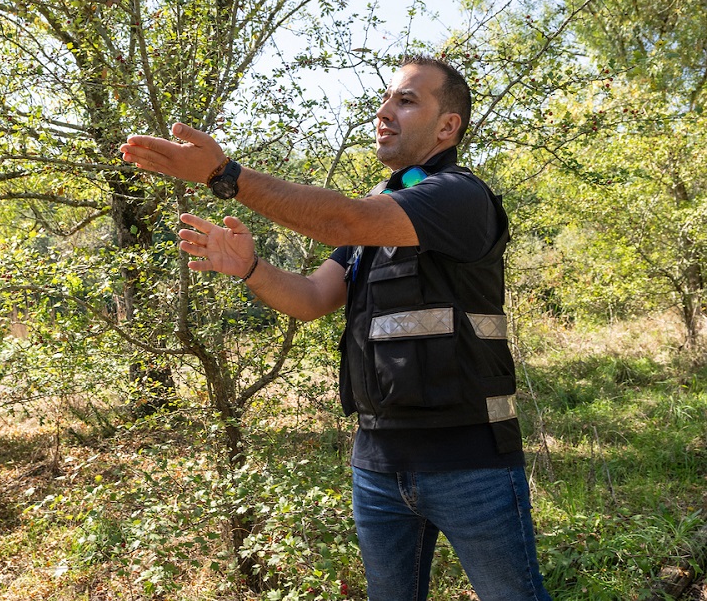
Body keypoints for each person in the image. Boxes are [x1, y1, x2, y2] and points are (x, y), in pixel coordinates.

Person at [120, 55, 551, 600]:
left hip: (471, 465)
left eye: (407, 100)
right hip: (377, 464)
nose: (385, 110)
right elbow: (311, 298)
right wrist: (251, 268)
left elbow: (343, 217)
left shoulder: (460, 198)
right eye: (388, 97)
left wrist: (223, 175)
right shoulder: (382, 211)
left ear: (448, 127)